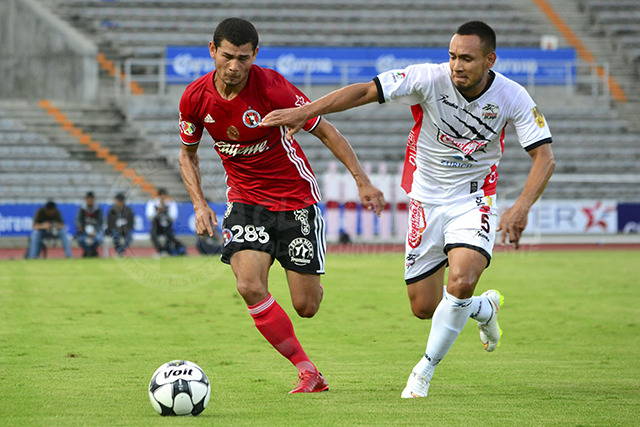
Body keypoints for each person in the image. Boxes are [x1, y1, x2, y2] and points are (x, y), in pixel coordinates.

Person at [261, 21, 556, 398]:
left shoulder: (513, 96)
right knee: (424, 307)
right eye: (452, 56)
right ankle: (483, 309)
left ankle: (423, 371)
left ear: (489, 59)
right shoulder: (427, 79)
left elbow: (544, 157)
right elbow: (366, 90)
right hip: (426, 199)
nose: (457, 66)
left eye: (467, 58)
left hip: (474, 198)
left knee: (462, 280)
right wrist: (307, 111)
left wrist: (521, 206)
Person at [178, 18, 385, 394]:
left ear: (255, 55)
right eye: (227, 56)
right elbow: (186, 154)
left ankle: (309, 277)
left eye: (243, 58)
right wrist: (198, 204)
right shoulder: (195, 98)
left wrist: (362, 180)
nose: (235, 66)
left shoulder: (273, 87)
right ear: (212, 51)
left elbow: (325, 130)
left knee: (306, 306)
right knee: (248, 285)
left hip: (295, 199)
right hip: (245, 201)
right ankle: (308, 371)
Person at [145, 188, 184, 256]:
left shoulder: (171, 203)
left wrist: (166, 211)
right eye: (161, 196)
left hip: (167, 225)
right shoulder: (152, 203)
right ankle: (160, 251)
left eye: (164, 196)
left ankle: (167, 250)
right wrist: (157, 212)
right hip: (156, 225)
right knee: (153, 234)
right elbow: (149, 216)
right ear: (158, 196)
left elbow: (174, 217)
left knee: (170, 234)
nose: (162, 198)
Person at [75, 191, 104, 257]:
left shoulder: (98, 209)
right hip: (84, 231)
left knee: (98, 239)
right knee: (80, 239)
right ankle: (88, 251)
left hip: (95, 231)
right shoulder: (82, 209)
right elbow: (77, 220)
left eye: (91, 199)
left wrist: (95, 231)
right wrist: (79, 226)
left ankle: (91, 251)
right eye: (88, 199)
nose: (90, 200)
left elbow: (100, 222)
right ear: (86, 200)